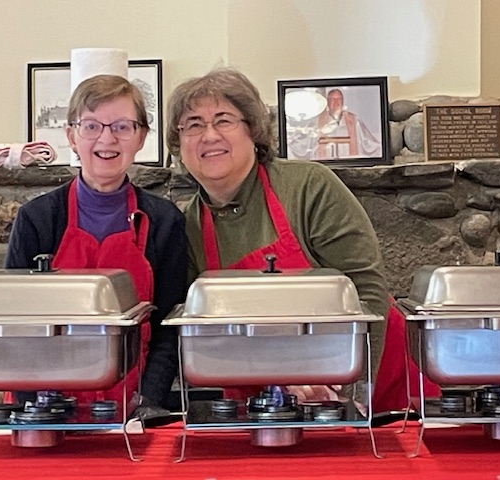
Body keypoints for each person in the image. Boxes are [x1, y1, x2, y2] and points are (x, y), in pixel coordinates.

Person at [165, 67, 412, 413]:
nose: (209, 135)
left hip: (369, 382)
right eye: (193, 125)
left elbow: (365, 289)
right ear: (179, 145)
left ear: (253, 131)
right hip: (262, 397)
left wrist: (350, 389)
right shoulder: (188, 224)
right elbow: (206, 332)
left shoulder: (308, 187)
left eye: (224, 120)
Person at [5, 75, 187, 412]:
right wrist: (36, 410)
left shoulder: (165, 222)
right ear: (71, 137)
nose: (107, 139)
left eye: (122, 127)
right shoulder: (36, 219)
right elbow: (14, 327)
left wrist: (147, 403)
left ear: (141, 137)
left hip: (131, 405)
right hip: (46, 406)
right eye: (91, 126)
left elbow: (167, 330)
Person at [314, 88, 381, 159]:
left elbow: (367, 142)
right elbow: (310, 145)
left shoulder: (354, 120)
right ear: (328, 102)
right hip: (326, 163)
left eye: (339, 99)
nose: (336, 103)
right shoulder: (317, 122)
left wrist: (381, 147)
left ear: (343, 102)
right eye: (333, 99)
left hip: (348, 163)